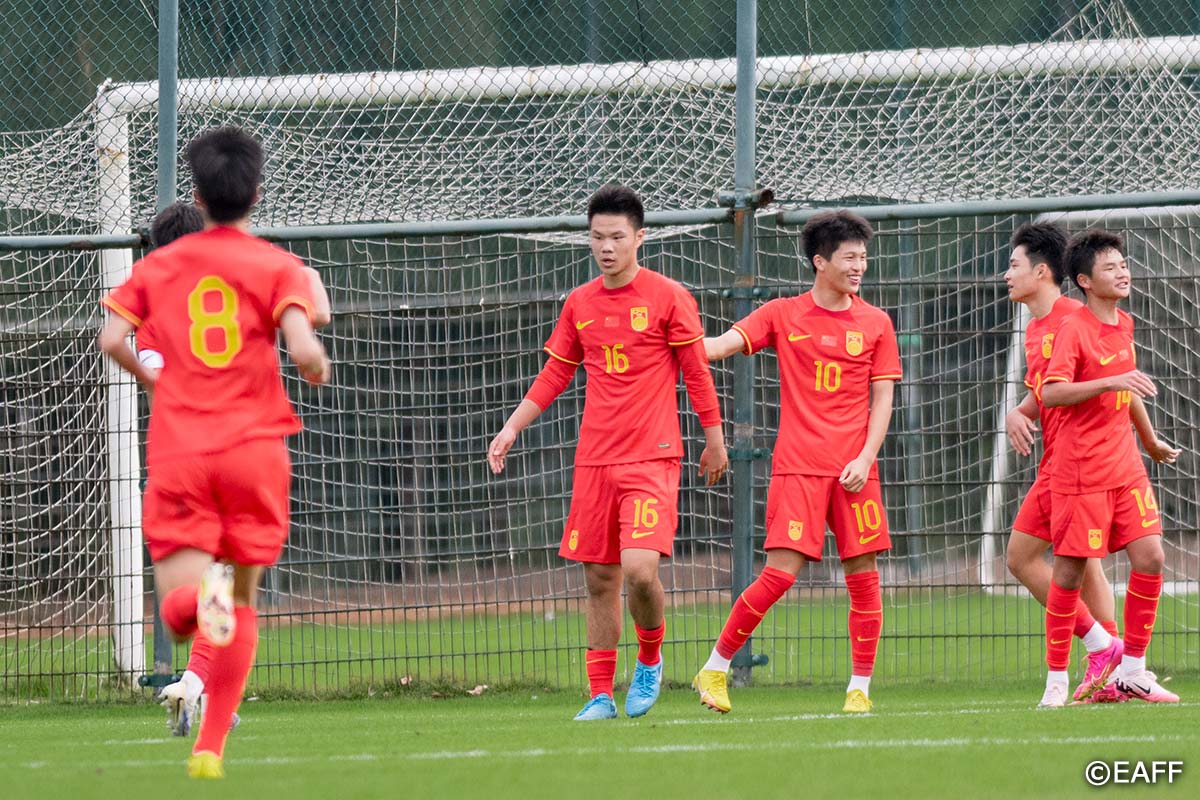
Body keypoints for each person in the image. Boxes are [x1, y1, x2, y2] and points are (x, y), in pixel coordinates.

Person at [98, 126, 332, 777]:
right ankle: (210, 749)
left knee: (186, 612)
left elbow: (111, 339)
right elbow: (304, 345)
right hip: (254, 452)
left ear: (197, 196)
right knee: (238, 600)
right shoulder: (275, 265)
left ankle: (198, 621)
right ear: (256, 193)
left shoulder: (157, 268)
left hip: (183, 451)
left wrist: (158, 383)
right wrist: (313, 361)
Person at [487, 183, 727, 720]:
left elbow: (696, 372)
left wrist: (714, 439)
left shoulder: (669, 296)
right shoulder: (580, 302)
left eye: (617, 236)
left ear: (639, 237)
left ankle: (650, 659)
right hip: (596, 460)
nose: (606, 247)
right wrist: (511, 428)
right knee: (599, 579)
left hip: (652, 457)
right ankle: (599, 695)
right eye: (597, 237)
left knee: (640, 571)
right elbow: (555, 374)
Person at [692, 210, 901, 714]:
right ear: (820, 262)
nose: (859, 267)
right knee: (779, 576)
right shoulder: (782, 314)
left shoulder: (876, 322)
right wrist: (674, 339)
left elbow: (883, 398)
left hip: (855, 471)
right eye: (849, 258)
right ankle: (714, 668)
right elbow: (717, 347)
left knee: (864, 577)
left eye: (863, 258)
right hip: (799, 467)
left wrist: (866, 457)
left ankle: (859, 689)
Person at [142, 201, 329, 736]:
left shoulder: (153, 312)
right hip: (243, 456)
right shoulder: (242, 282)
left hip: (180, 462)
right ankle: (200, 686)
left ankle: (196, 683)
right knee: (227, 588)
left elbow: (147, 371)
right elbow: (309, 297)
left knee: (207, 589)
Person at [1037, 228, 1180, 707]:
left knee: (1152, 557)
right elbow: (1051, 393)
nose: (1123, 273)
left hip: (1125, 465)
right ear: (1084, 281)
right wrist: (1108, 382)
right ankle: (1056, 681)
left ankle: (1133, 672)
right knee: (1068, 575)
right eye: (1110, 267)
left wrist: (1149, 439)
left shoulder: (1124, 323)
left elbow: (1127, 385)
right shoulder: (1073, 329)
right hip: (1081, 472)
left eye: (1123, 264)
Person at [1002, 222, 1124, 702]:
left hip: (1082, 462)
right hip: (1057, 460)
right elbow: (1047, 389)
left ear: (1041, 272)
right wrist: (1019, 411)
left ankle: (1103, 647)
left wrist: (1146, 441)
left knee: (1022, 557)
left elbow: (1117, 379)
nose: (1006, 275)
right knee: (1083, 562)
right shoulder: (1036, 327)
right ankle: (1113, 666)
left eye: (1013, 265)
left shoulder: (1076, 317)